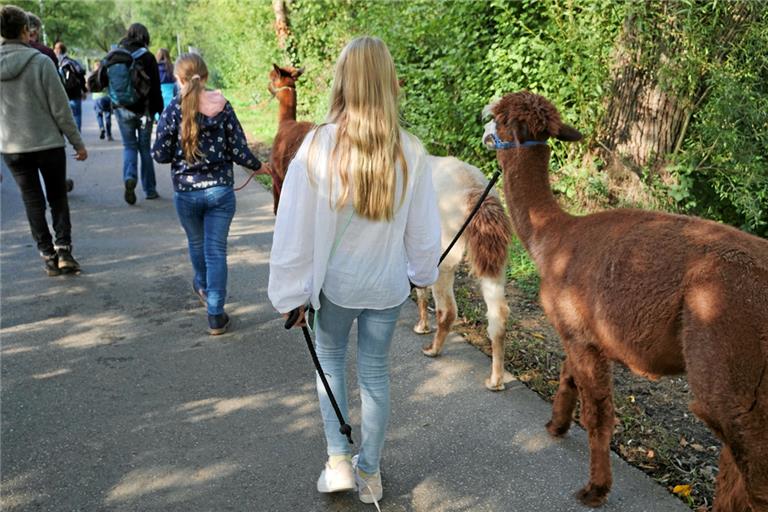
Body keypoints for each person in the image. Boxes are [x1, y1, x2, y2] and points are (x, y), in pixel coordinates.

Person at [268, 36, 441, 506]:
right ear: (389, 84)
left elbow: (295, 226)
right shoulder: (411, 150)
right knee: (376, 377)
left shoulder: (319, 144)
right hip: (386, 287)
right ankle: (371, 473)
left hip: (336, 289)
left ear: (343, 81)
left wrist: (293, 292)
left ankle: (338, 463)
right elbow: (424, 231)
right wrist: (422, 273)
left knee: (330, 365)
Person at [151, 53, 266, 335]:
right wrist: (259, 166)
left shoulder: (173, 110)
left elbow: (160, 154)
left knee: (196, 243)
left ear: (178, 79)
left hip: (186, 193)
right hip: (220, 192)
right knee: (216, 251)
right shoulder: (223, 106)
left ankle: (202, 286)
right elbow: (238, 148)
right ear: (206, 77)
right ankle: (215, 314)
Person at [0, 5, 87, 275]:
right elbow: (61, 109)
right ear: (26, 31)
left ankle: (47, 255)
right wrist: (77, 143)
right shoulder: (41, 62)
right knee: (57, 197)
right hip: (48, 143)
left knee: (32, 201)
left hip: (12, 147)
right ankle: (64, 251)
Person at [103, 23, 163, 204]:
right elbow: (155, 89)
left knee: (129, 147)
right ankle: (150, 190)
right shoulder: (147, 57)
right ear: (145, 37)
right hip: (144, 111)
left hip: (122, 110)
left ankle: (130, 177)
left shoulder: (114, 55)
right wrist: (159, 111)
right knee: (145, 149)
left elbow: (102, 81)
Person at [53, 41, 86, 132]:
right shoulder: (72, 62)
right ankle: (77, 134)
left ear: (59, 50)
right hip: (75, 93)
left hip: (64, 94)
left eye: (55, 48)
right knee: (77, 115)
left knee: (65, 116)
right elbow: (81, 75)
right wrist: (84, 90)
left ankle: (69, 134)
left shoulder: (58, 64)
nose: (54, 50)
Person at [88, 61, 113, 140]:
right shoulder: (106, 75)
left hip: (96, 98)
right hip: (106, 97)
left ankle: (101, 128)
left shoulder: (92, 75)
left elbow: (88, 87)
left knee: (99, 115)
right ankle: (109, 134)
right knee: (108, 116)